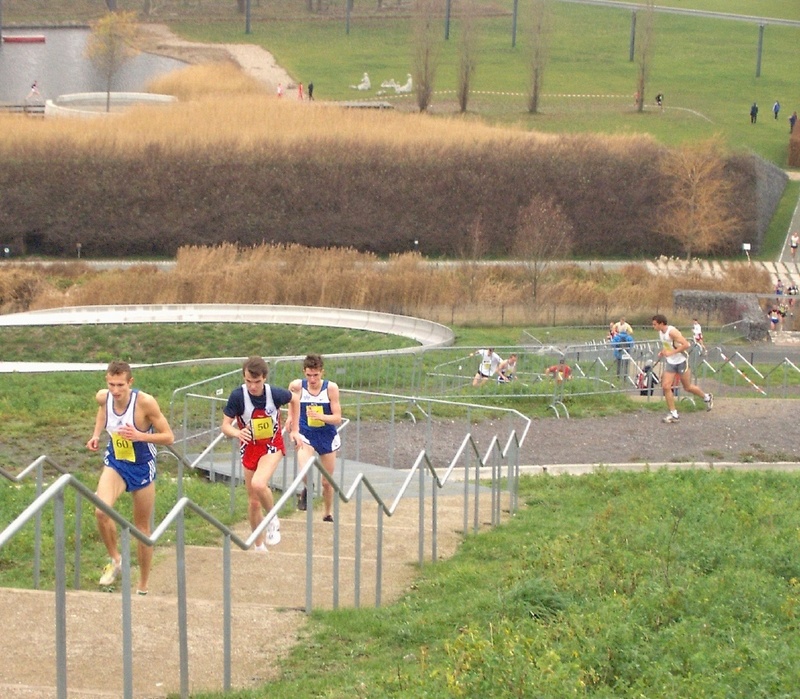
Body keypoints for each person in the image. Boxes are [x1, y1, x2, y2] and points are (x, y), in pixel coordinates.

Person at [86, 361, 175, 594]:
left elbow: (169, 437)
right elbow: (102, 411)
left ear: (130, 383)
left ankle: (143, 586)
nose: (115, 391)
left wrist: (139, 435)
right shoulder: (103, 397)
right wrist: (96, 434)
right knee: (101, 511)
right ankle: (116, 560)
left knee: (142, 529)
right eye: (111, 385)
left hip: (142, 466)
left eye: (120, 386)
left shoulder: (145, 403)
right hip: (116, 461)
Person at [221, 356, 299, 551]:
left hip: (271, 445)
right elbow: (224, 426)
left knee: (258, 483)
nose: (252, 386)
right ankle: (258, 544)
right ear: (243, 377)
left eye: (256, 382)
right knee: (254, 502)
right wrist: (237, 432)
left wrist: (294, 426)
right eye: (248, 381)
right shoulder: (238, 396)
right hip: (249, 448)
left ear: (264, 378)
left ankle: (272, 518)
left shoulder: (275, 394)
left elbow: (295, 399)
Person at [288, 354, 342, 522]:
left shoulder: (331, 388)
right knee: (304, 467)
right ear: (304, 372)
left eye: (316, 375)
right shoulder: (296, 386)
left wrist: (321, 417)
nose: (312, 379)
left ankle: (327, 512)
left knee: (327, 482)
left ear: (322, 373)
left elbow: (338, 418)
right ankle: (307, 488)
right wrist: (291, 423)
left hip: (327, 436)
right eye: (309, 375)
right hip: (306, 433)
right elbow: (292, 405)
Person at [651, 314, 713, 423]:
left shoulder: (672, 331)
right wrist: (664, 351)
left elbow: (686, 344)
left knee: (687, 387)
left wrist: (671, 352)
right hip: (671, 362)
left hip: (682, 361)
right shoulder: (661, 333)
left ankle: (706, 397)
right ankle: (673, 413)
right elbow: (668, 345)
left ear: (661, 323)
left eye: (655, 324)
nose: (653, 326)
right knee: (666, 386)